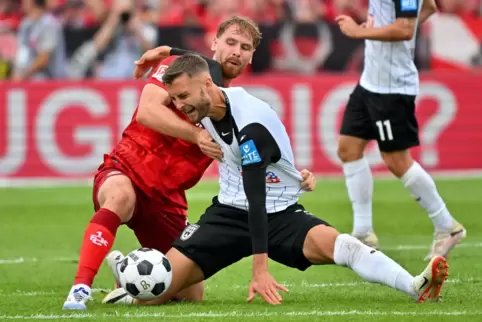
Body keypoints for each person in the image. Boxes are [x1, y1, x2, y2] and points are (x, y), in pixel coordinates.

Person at [102, 54, 449, 307]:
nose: (178, 106)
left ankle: (415, 284)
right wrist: (160, 53)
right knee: (154, 296)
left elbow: (257, 199)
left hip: (278, 213)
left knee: (344, 247)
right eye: (174, 99)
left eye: (183, 98)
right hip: (225, 215)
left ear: (208, 84)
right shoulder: (203, 100)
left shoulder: (250, 124)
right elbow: (190, 59)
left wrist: (260, 270)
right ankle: (126, 272)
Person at [62, 16, 318, 310]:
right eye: (230, 42)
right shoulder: (180, 69)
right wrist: (195, 134)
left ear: (250, 57)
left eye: (244, 47)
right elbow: (147, 111)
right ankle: (80, 288)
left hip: (169, 197)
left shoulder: (233, 105)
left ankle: (127, 273)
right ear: (214, 44)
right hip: (130, 167)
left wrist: (295, 176)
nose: (236, 51)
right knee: (119, 198)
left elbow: (252, 158)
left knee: (189, 293)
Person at [335, 0, 466, 256]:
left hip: (391, 88)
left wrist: (359, 31)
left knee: (396, 160)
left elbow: (405, 29)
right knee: (348, 149)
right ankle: (363, 233)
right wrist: (378, 28)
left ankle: (447, 226)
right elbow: (428, 7)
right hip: (370, 82)